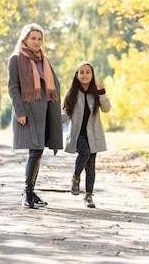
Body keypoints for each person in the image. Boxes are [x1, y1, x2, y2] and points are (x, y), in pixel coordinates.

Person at [7, 23, 63, 209]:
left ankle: (30, 191)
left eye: (39, 39)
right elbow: (13, 88)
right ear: (25, 39)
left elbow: (53, 85)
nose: (37, 42)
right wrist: (20, 112)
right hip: (28, 112)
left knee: (38, 150)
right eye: (33, 38)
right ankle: (28, 193)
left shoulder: (44, 61)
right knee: (36, 150)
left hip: (45, 112)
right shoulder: (15, 59)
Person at [61, 61, 111, 208]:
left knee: (91, 165)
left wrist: (102, 93)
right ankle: (76, 177)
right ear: (77, 75)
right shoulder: (72, 93)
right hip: (78, 134)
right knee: (84, 153)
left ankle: (89, 196)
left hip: (93, 134)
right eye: (81, 72)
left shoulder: (96, 92)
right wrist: (51, 119)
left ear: (92, 74)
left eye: (87, 72)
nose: (84, 75)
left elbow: (106, 109)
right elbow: (66, 114)